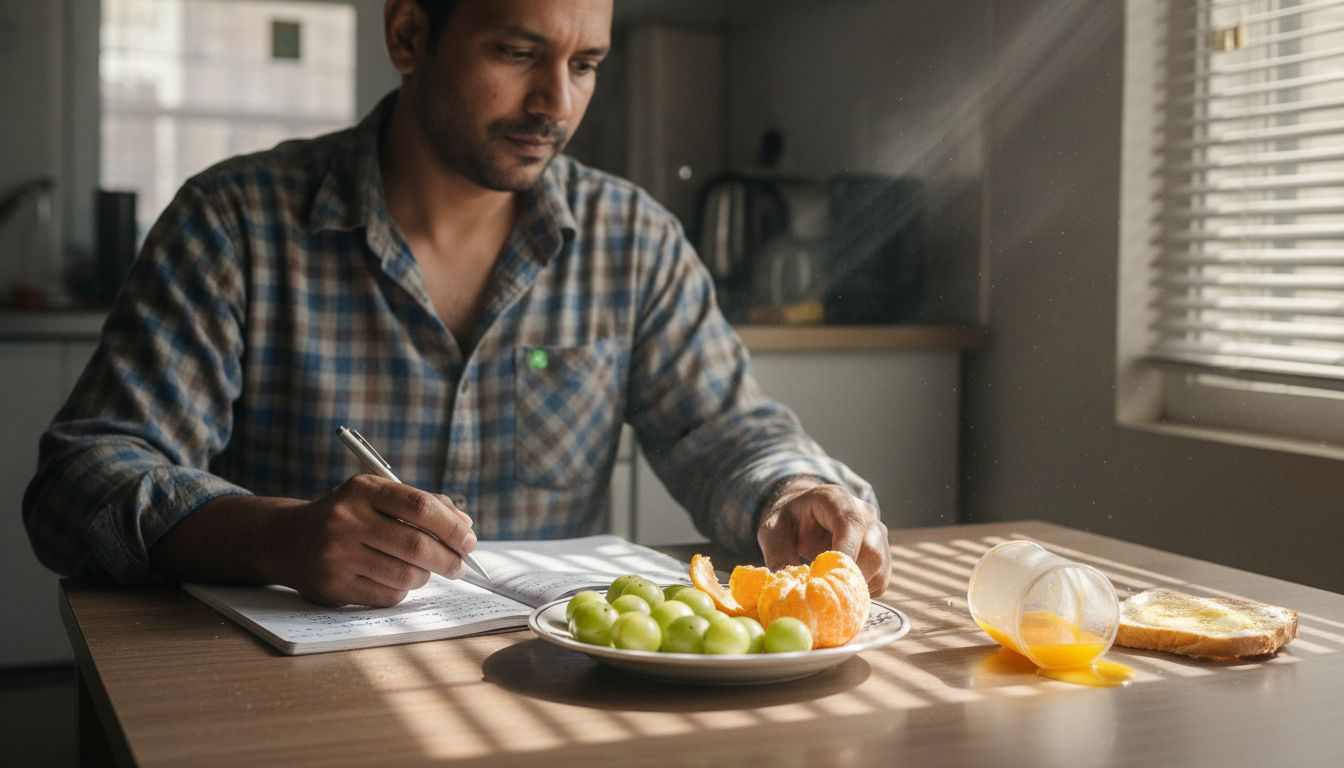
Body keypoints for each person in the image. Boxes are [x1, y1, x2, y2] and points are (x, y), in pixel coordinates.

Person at [23, 0, 890, 608]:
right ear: (409, 33)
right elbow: (80, 481)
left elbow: (726, 432)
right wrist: (276, 539)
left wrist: (794, 492)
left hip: (546, 694)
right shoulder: (236, 223)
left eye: (583, 64)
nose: (555, 104)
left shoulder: (634, 240)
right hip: (287, 712)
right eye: (517, 53)